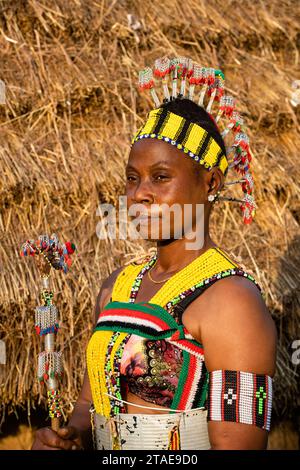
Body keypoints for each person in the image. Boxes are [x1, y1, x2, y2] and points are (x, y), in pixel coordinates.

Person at [32, 57, 277, 450]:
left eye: (160, 177)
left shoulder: (233, 303)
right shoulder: (116, 287)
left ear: (210, 182)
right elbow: (87, 404)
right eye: (132, 178)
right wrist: (70, 437)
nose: (139, 194)